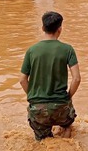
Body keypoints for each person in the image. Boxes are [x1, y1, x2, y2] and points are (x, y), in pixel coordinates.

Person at [18, 11, 81, 141]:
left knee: (43, 141)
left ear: (42, 28)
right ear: (60, 29)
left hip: (38, 110)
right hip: (61, 107)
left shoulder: (31, 50)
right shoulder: (67, 49)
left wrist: (33, 97)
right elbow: (77, 79)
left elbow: (22, 80)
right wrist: (67, 98)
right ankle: (66, 138)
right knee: (67, 125)